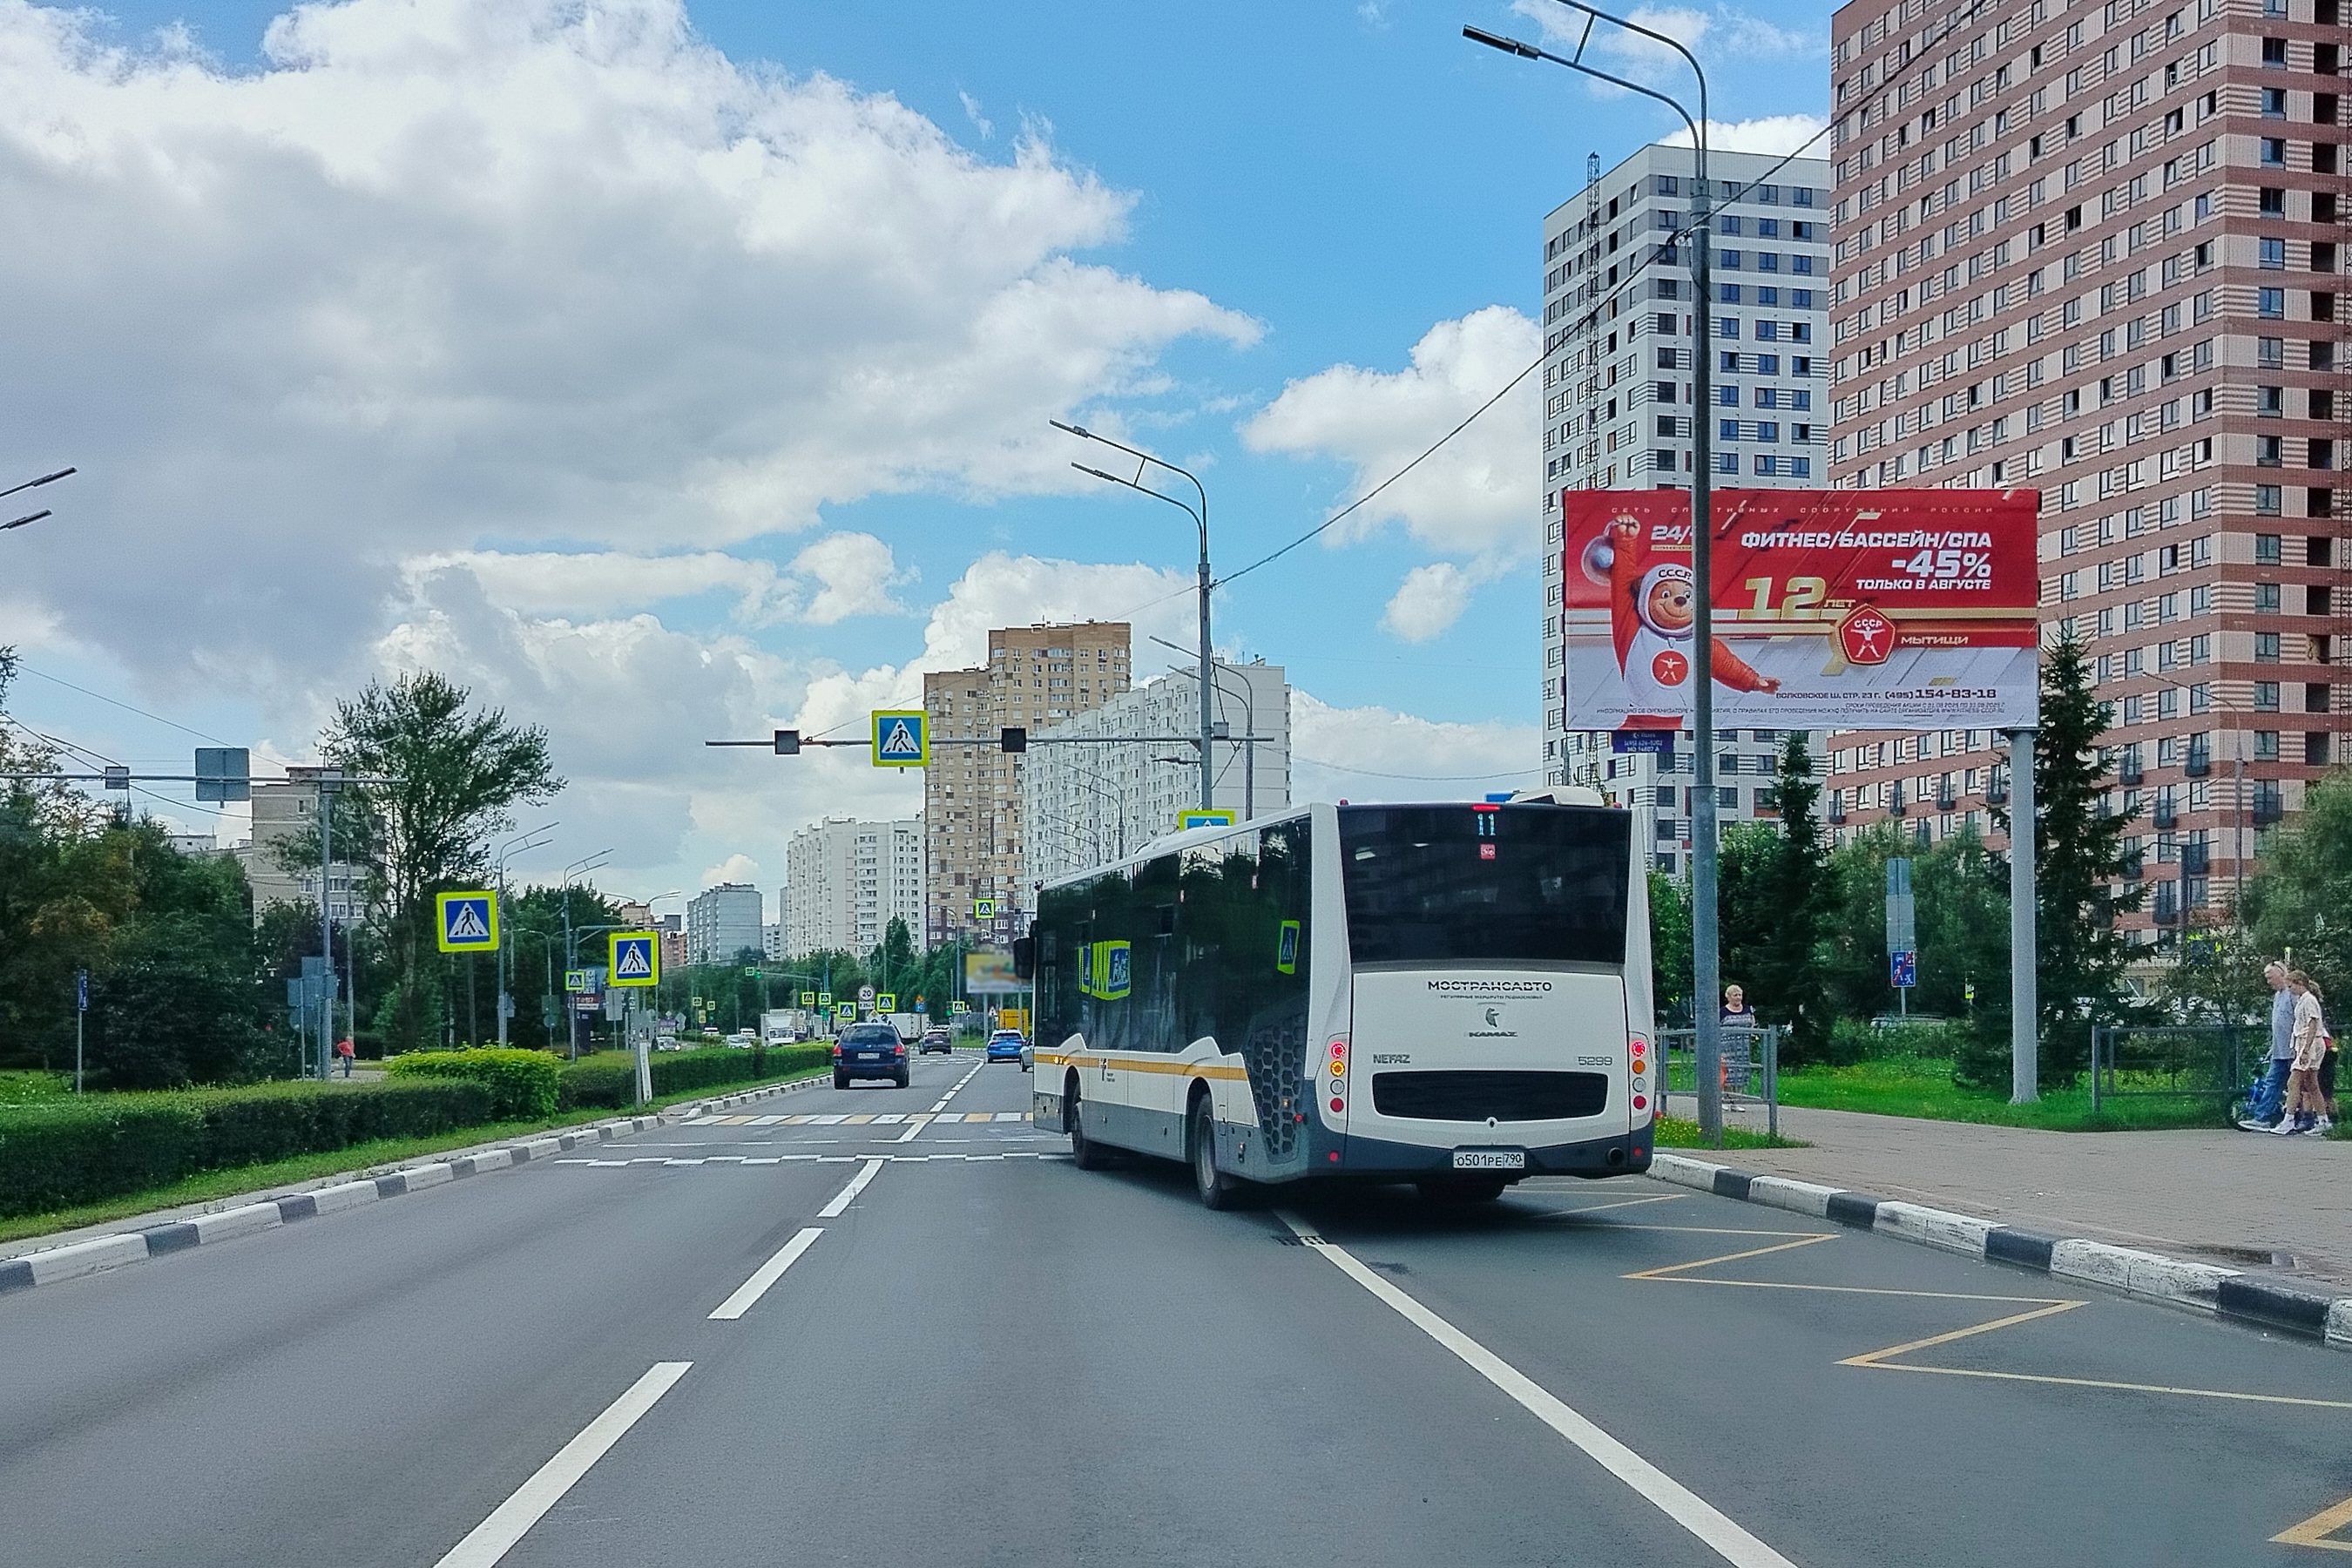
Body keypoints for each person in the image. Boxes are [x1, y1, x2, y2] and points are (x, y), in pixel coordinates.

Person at [2240, 962, 2297, 1131]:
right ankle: (2264, 1116)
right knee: (2273, 1083)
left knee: (2297, 1085)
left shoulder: (2292, 995)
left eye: (2270, 977)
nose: (2268, 981)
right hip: (2279, 1050)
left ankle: (2306, 1116)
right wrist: (2273, 1047)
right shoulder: (2278, 996)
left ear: (2281, 975)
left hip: (2292, 1050)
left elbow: (2299, 1020)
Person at [2279, 970, 2331, 1136]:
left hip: (2310, 1044)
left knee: (2293, 1082)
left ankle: (2289, 1120)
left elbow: (2313, 1024)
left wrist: (2306, 1049)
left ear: (2299, 983)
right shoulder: (2304, 1000)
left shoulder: (2308, 1001)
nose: (2290, 990)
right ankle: (2323, 1121)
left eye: (2291, 986)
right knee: (2311, 1084)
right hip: (2307, 1043)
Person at [1720, 983, 1758, 1102]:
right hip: (1727, 1048)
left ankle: (1736, 1101)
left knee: (1741, 1074)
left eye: (1740, 995)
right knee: (1728, 1074)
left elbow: (1752, 1024)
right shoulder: (1722, 1011)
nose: (1738, 997)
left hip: (1743, 1048)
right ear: (1728, 997)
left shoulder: (1748, 1009)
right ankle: (1724, 1099)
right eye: (1735, 995)